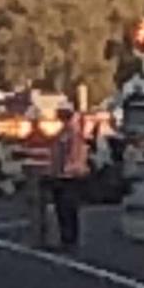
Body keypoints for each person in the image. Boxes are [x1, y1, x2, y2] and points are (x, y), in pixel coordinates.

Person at [14, 106, 59, 247]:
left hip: (33, 174)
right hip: (46, 172)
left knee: (35, 205)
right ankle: (48, 237)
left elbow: (22, 154)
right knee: (46, 204)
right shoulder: (47, 138)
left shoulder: (30, 138)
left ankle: (36, 238)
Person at [53, 103, 89, 246]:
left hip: (70, 175)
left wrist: (66, 169)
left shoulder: (72, 132)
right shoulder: (65, 131)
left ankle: (70, 238)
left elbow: (71, 153)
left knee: (68, 207)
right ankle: (67, 237)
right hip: (65, 174)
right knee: (64, 208)